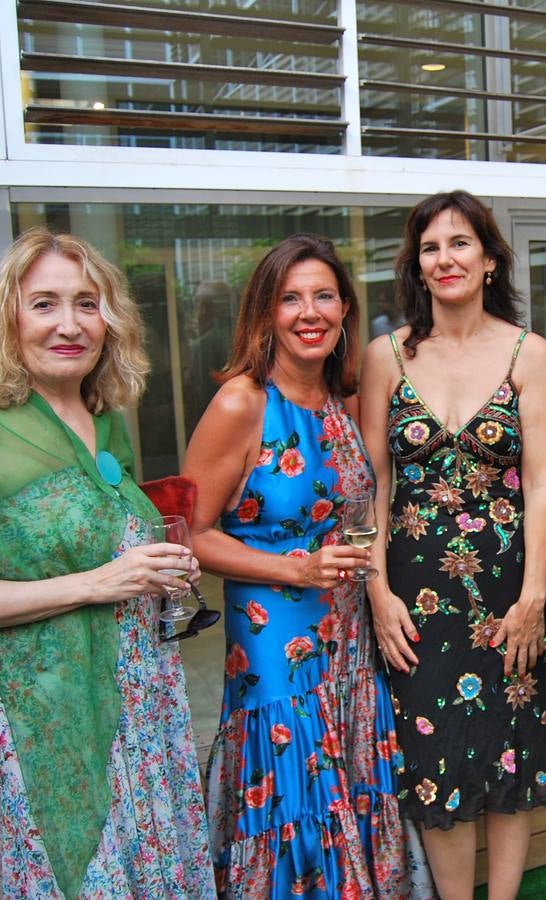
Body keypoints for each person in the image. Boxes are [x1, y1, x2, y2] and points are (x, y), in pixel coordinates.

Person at [0, 228, 214, 897]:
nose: (70, 324)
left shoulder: (102, 418)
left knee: (152, 858)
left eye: (87, 303)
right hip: (50, 707)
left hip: (140, 697)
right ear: (7, 317)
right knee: (89, 867)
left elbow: (108, 539)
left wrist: (156, 571)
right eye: (44, 303)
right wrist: (98, 583)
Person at [183, 235, 422, 897]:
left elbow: (363, 508)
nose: (308, 311)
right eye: (290, 298)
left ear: (346, 310)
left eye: (323, 295)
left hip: (350, 645)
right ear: (266, 314)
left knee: (349, 791)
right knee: (295, 803)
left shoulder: (346, 406)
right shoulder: (242, 404)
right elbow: (191, 534)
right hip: (274, 652)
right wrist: (294, 570)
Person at [358, 190, 546, 900]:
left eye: (459, 243)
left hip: (512, 593)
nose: (444, 258)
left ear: (488, 259)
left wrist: (535, 594)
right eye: (429, 247)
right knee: (432, 755)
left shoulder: (527, 353)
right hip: (414, 599)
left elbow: (541, 483)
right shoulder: (384, 357)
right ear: (416, 266)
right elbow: (372, 486)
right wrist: (376, 591)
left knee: (511, 749)